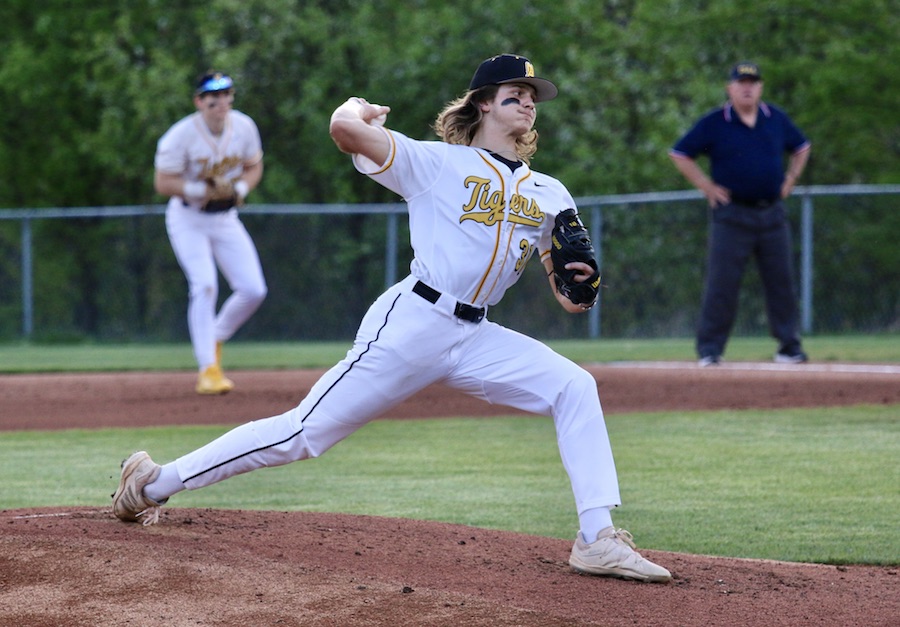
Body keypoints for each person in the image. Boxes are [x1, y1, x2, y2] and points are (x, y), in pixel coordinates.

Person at [114, 54, 671, 583]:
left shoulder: (549, 191)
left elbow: (569, 297)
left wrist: (582, 285)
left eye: (532, 96)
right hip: (415, 322)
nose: (527, 103)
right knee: (304, 433)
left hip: (476, 334)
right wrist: (357, 107)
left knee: (574, 385)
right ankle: (157, 482)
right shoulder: (435, 163)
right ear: (482, 104)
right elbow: (343, 132)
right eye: (514, 95)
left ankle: (596, 535)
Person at [669, 61, 811, 366]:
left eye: (753, 82)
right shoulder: (716, 122)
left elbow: (801, 146)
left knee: (781, 282)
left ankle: (789, 346)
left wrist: (791, 179)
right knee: (722, 284)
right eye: (741, 82)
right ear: (730, 87)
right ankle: (710, 350)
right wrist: (706, 186)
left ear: (760, 87)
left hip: (771, 213)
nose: (747, 87)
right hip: (731, 215)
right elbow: (680, 153)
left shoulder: (775, 119)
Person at [154, 71, 268, 394]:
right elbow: (163, 183)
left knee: (253, 289)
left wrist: (240, 189)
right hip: (188, 217)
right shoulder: (179, 136)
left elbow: (254, 165)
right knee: (204, 284)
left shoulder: (243, 127)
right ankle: (208, 369)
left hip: (225, 217)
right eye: (212, 97)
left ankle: (214, 336)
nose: (220, 102)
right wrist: (199, 189)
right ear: (199, 101)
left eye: (226, 94)